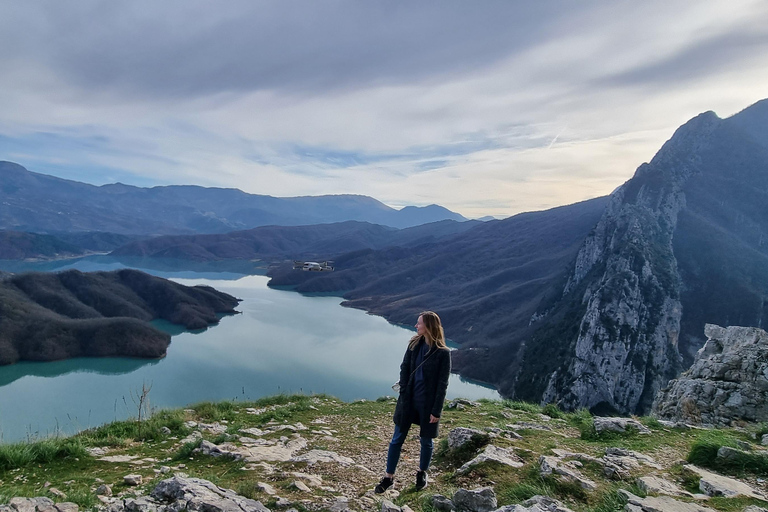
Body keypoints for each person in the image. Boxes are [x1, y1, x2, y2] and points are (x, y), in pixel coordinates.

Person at [375, 311, 451, 493]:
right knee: (396, 440)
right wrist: (403, 392)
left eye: (419, 323)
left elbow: (442, 385)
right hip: (408, 402)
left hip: (428, 406)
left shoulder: (443, 353)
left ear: (429, 326)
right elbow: (404, 368)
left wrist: (436, 411)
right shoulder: (413, 345)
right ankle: (388, 477)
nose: (416, 326)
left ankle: (422, 473)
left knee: (426, 441)